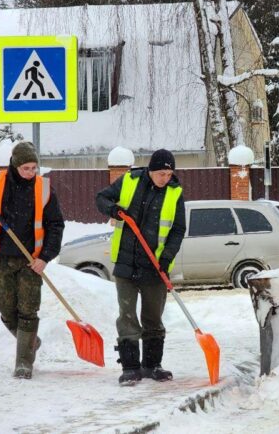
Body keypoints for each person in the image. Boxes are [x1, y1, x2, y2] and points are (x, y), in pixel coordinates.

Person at [0, 142, 65, 379]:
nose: (32, 173)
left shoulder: (43, 188)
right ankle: (30, 341)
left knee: (28, 310)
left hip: (31, 261)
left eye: (34, 168)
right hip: (1, 258)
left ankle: (23, 362)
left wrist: (44, 258)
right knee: (5, 308)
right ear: (15, 165)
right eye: (27, 168)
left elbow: (56, 225)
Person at [95, 148, 186, 386]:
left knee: (153, 317)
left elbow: (177, 230)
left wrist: (165, 259)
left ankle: (152, 365)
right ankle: (130, 367)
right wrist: (114, 210)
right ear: (151, 170)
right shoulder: (130, 180)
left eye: (169, 174)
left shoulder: (175, 193)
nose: (165, 179)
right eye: (161, 174)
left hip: (155, 267)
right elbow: (101, 198)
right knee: (127, 316)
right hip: (126, 263)